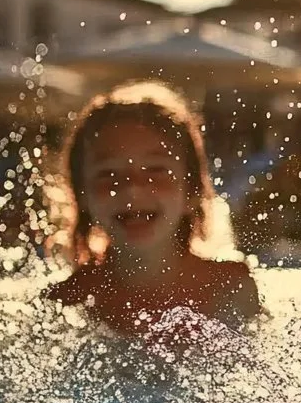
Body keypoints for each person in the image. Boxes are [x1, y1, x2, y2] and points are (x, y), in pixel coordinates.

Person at [44, 82, 260, 338]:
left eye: (156, 170)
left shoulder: (230, 287)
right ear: (83, 196)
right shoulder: (70, 299)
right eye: (109, 173)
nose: (132, 188)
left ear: (191, 191)